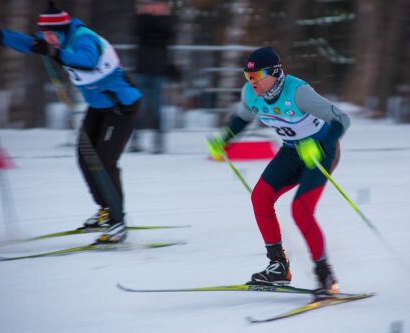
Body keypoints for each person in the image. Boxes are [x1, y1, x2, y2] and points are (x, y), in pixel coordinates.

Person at [0, 1, 142, 244]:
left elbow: (87, 61)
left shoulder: (83, 39)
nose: (48, 39)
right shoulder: (54, 39)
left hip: (121, 107)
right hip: (98, 107)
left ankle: (118, 222)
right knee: (85, 158)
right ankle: (105, 209)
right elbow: (28, 42)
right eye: (45, 34)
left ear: (63, 30)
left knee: (104, 162)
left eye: (52, 35)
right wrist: (0, 36)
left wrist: (53, 52)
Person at [207, 47, 350, 299]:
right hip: (292, 151)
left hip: (321, 153)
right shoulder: (250, 95)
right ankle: (278, 266)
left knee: (301, 210)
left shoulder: (299, 93)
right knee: (260, 197)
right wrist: (225, 139)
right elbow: (241, 118)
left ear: (275, 73)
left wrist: (323, 145)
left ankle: (324, 273)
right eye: (247, 76)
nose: (252, 82)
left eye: (257, 76)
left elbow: (341, 119)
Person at [129, 0, 177, 154]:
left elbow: (169, 34)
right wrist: (148, 15)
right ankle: (135, 141)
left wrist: (160, 16)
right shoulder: (141, 20)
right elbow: (139, 32)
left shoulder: (165, 21)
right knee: (139, 108)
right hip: (142, 69)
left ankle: (158, 142)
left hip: (158, 71)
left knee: (157, 109)